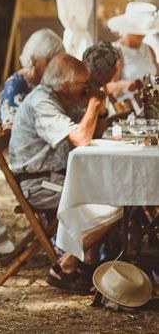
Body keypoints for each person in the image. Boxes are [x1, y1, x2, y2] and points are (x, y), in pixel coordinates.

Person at [9, 53, 115, 293]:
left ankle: (86, 265)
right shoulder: (42, 102)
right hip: (39, 183)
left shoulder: (64, 99)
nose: (87, 88)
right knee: (111, 201)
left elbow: (93, 135)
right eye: (83, 84)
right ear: (65, 84)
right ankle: (65, 266)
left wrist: (100, 111)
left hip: (58, 176)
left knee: (113, 191)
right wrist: (94, 104)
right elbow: (81, 138)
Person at [0, 28, 65, 128]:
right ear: (34, 60)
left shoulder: (46, 83)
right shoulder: (15, 85)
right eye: (50, 62)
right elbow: (11, 131)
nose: (55, 68)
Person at [108, 1, 159, 82]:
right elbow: (109, 86)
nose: (142, 35)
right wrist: (126, 86)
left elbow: (157, 76)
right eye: (138, 31)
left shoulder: (148, 49)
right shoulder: (116, 51)